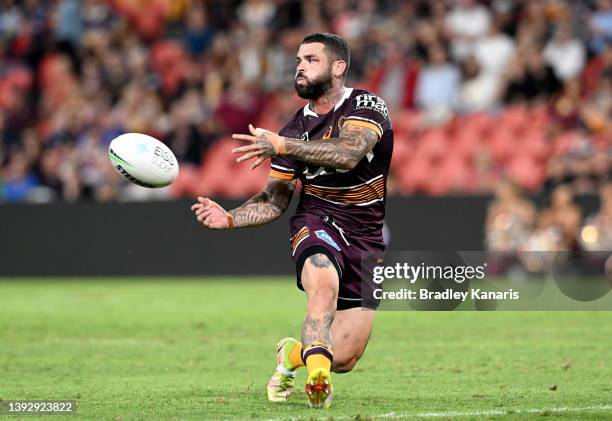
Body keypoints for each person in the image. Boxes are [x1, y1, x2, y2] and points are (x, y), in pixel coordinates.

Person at [190, 32, 393, 409]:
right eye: (299, 59)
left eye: (311, 60)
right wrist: (230, 218)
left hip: (365, 237)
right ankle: (318, 380)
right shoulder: (292, 130)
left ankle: (292, 355)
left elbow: (350, 153)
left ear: (338, 67)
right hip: (316, 222)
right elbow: (274, 199)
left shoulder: (367, 105)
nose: (300, 66)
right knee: (322, 287)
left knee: (346, 356)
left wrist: (282, 146)